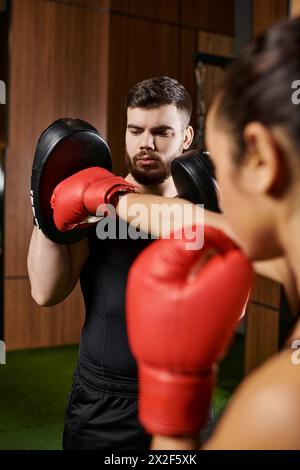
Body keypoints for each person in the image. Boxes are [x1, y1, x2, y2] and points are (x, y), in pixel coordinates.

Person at [125, 16, 300, 449]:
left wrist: (172, 417)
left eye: (218, 164)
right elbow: (217, 230)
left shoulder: (280, 405)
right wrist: (114, 198)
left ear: (260, 158)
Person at [28, 76, 197, 450]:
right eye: (135, 130)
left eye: (162, 132)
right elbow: (44, 293)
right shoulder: (93, 203)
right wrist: (47, 208)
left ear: (186, 137)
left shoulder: (202, 209)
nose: (146, 144)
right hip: (103, 402)